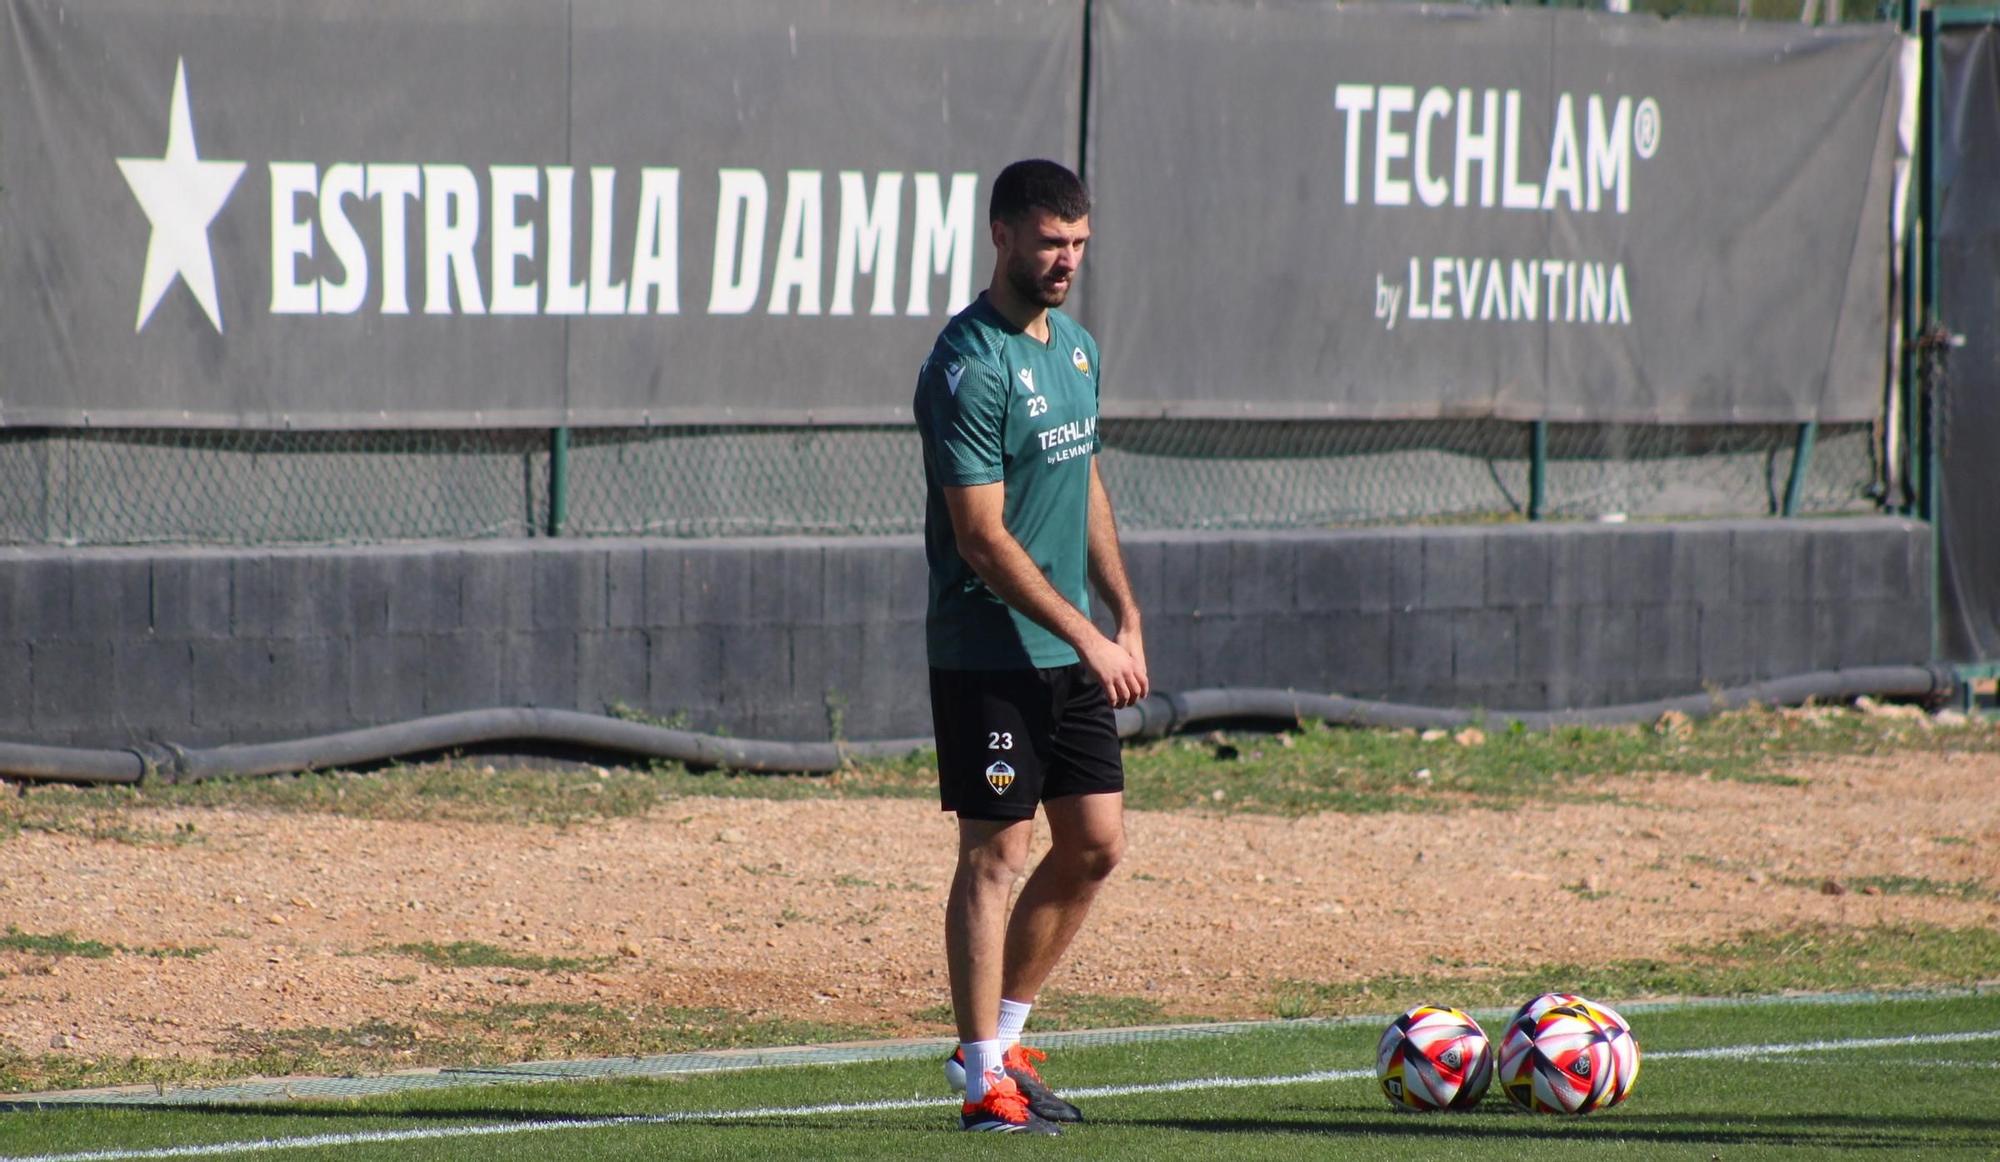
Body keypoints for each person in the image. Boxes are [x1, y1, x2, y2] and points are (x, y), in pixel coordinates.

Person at [912, 158, 1149, 1135]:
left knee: (1092, 847)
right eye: (1049, 242)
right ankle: (980, 1083)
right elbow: (981, 535)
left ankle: (1005, 1038)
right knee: (995, 856)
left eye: (1079, 245)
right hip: (989, 650)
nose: (1065, 261)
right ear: (1001, 235)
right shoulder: (963, 365)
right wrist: (1085, 633)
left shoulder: (1077, 351)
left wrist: (1122, 611)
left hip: (1070, 650)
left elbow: (1081, 480)